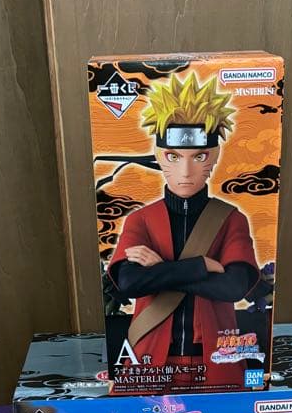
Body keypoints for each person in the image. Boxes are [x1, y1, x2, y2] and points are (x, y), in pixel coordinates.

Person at [108, 72, 261, 386]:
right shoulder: (140, 219)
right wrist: (201, 266)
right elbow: (129, 282)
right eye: (174, 157)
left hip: (217, 360)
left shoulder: (231, 219)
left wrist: (161, 270)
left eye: (199, 156)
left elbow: (234, 287)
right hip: (150, 359)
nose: (186, 171)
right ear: (158, 156)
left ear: (214, 157)